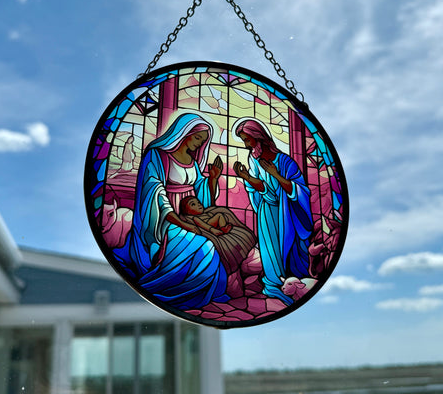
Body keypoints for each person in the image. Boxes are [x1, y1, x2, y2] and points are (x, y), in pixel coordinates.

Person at [113, 113, 228, 310]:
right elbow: (154, 191)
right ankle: (173, 290)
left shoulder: (193, 162)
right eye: (197, 137)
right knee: (206, 247)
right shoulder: (158, 156)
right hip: (164, 220)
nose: (199, 144)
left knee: (214, 244)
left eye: (202, 141)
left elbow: (201, 193)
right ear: (184, 133)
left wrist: (213, 179)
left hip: (190, 214)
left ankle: (195, 293)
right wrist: (179, 222)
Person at [233, 119, 313, 305]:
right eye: (244, 141)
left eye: (247, 140)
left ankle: (291, 283)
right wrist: (246, 177)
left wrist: (276, 174)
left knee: (287, 248)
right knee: (270, 250)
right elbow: (262, 188)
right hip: (267, 212)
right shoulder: (253, 159)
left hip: (286, 214)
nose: (246, 145)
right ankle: (274, 284)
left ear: (258, 137)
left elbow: (300, 191)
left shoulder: (285, 162)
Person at [179, 195, 256, 276]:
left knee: (220, 215)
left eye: (198, 202)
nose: (198, 205)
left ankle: (223, 227)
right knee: (219, 215)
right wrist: (212, 230)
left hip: (212, 223)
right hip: (209, 224)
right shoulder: (195, 218)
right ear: (187, 211)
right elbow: (204, 225)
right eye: (193, 204)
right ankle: (224, 227)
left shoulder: (205, 213)